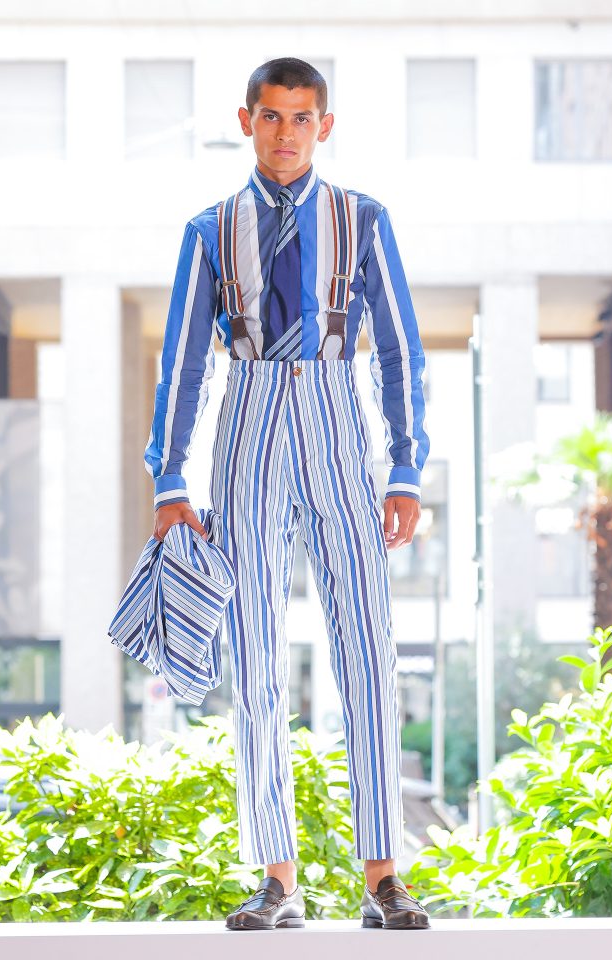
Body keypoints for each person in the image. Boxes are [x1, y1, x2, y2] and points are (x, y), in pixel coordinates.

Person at [144, 57, 431, 931]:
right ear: (247, 120)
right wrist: (169, 475)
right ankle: (279, 880)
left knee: (369, 648)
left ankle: (383, 878)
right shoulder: (209, 229)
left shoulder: (363, 218)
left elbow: (399, 349)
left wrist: (406, 466)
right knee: (257, 648)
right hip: (251, 412)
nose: (286, 133)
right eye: (271, 116)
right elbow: (183, 360)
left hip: (336, 413)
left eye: (302, 118)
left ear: (324, 126)